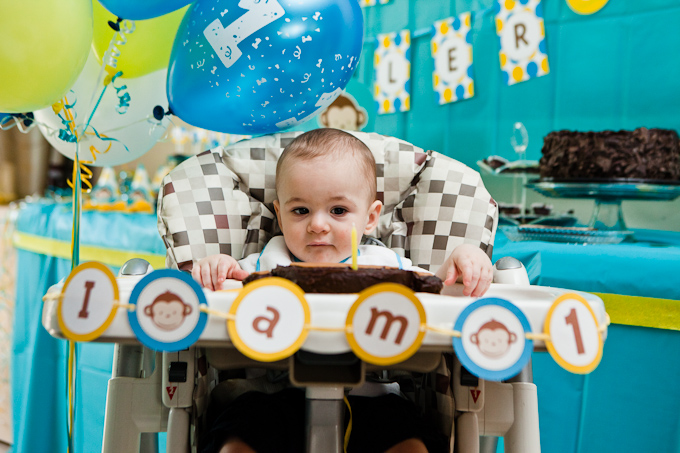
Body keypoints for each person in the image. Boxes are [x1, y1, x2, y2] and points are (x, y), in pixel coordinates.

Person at [193, 128, 493, 453]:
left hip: (373, 398)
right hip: (274, 398)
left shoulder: (385, 266)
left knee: (409, 439)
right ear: (279, 215)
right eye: (300, 211)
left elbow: (437, 294)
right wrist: (217, 268)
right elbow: (219, 296)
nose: (318, 224)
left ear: (370, 218)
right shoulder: (265, 265)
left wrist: (462, 260)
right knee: (237, 437)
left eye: (338, 211)